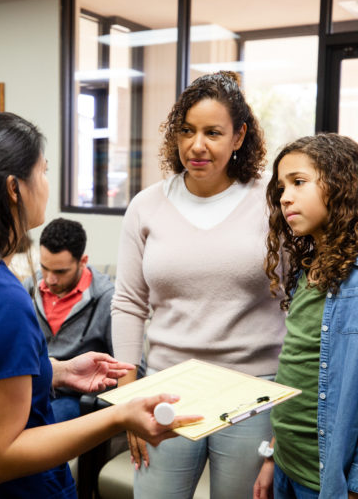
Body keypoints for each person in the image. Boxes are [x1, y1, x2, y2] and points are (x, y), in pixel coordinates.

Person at [0, 111, 202, 498]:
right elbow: (0, 458)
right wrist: (119, 415)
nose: (47, 184)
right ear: (14, 188)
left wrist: (57, 372)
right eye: (44, 171)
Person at [111, 71, 287, 498]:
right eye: (186, 131)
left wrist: (290, 412)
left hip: (252, 391)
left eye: (213, 132)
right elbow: (130, 302)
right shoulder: (146, 206)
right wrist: (128, 395)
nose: (197, 146)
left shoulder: (273, 204)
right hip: (166, 388)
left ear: (239, 136)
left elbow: (296, 302)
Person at [253, 133, 358, 499]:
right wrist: (271, 456)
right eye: (281, 187)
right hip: (284, 464)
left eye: (298, 182)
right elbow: (297, 371)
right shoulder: (304, 271)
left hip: (327, 482)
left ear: (342, 187)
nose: (284, 197)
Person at [22, 217, 115, 422]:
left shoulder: (107, 299)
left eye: (60, 271)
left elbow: (130, 368)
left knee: (41, 425)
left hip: (75, 396)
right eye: (44, 267)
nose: (50, 279)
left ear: (83, 261)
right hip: (29, 386)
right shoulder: (28, 288)